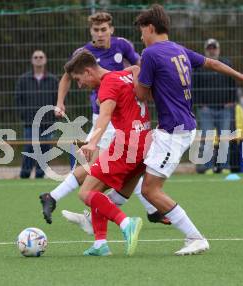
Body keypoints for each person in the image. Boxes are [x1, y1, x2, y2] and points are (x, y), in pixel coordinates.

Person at [134, 4, 243, 255]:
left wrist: (137, 74)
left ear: (150, 28)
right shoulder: (178, 50)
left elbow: (140, 94)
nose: (140, 37)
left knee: (149, 190)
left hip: (173, 131)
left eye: (141, 31)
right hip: (180, 126)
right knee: (136, 172)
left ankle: (195, 237)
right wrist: (240, 75)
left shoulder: (150, 54)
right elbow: (212, 63)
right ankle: (101, 213)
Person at [40, 11, 169, 231]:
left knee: (108, 166)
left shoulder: (122, 45)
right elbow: (67, 77)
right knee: (108, 165)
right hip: (102, 117)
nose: (100, 34)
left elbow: (139, 66)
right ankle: (147, 211)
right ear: (90, 32)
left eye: (103, 29)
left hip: (120, 118)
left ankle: (58, 199)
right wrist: (60, 102)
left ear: (111, 29)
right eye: (95, 30)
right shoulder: (84, 53)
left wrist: (139, 90)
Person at [50, 50, 146, 256]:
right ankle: (100, 244)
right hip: (143, 142)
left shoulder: (107, 85)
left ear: (87, 72)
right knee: (97, 192)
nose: (79, 84)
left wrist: (92, 143)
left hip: (126, 145)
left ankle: (126, 223)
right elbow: (136, 67)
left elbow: (105, 115)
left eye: (78, 79)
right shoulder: (122, 75)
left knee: (85, 193)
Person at [192, 38, 237, 174]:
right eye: (209, 48)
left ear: (218, 49)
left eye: (214, 48)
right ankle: (209, 167)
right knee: (208, 139)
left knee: (224, 138)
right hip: (206, 110)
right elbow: (194, 88)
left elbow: (233, 84)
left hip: (224, 109)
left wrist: (232, 101)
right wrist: (200, 105)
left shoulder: (227, 64)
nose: (212, 51)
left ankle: (225, 167)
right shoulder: (200, 66)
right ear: (206, 50)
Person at [15, 50, 58, 178]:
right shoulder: (23, 80)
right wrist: (24, 115)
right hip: (30, 122)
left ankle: (40, 175)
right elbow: (18, 99)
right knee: (29, 149)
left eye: (41, 57)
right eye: (36, 57)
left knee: (45, 150)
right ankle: (25, 174)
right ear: (32, 60)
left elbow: (59, 99)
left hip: (48, 123)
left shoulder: (53, 80)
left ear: (45, 60)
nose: (38, 59)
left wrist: (52, 116)